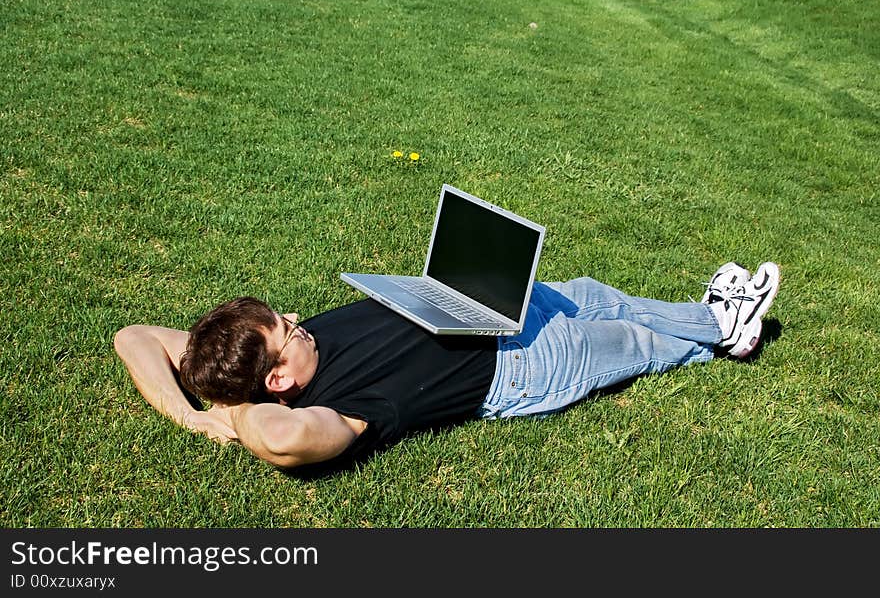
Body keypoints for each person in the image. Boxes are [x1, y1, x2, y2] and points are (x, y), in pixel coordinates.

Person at [113, 261, 780, 470]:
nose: (295, 319)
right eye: (286, 329)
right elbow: (282, 440)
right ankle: (722, 328)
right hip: (521, 369)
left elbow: (134, 337)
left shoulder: (272, 365)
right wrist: (235, 416)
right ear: (277, 381)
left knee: (591, 295)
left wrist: (195, 413)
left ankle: (714, 318)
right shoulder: (335, 410)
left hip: (473, 310)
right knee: (630, 342)